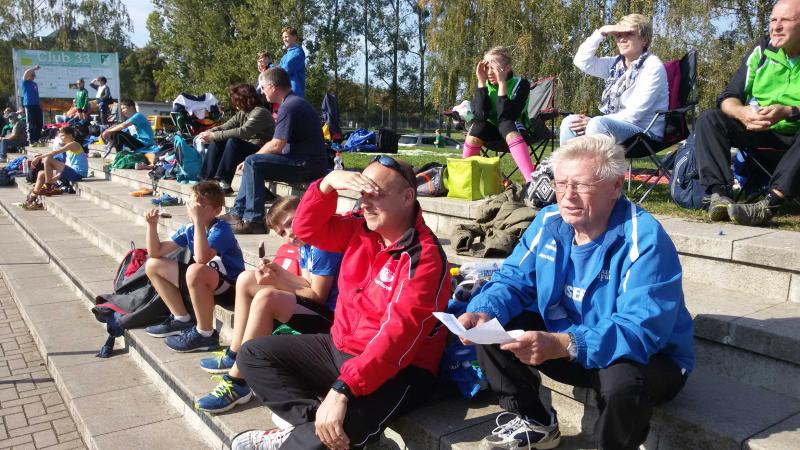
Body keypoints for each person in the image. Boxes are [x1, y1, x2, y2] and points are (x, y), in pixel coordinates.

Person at [457, 134, 694, 450]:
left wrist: (564, 343)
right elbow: (513, 280)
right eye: (560, 184)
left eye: (581, 185)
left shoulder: (644, 239)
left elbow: (639, 331)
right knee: (491, 327)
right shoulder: (548, 221)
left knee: (622, 384)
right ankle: (535, 421)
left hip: (650, 358)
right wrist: (484, 308)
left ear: (616, 186)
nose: (567, 196)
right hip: (569, 344)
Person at [231, 156, 450, 450]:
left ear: (407, 196)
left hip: (401, 368)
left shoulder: (424, 257)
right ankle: (314, 429)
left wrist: (342, 389)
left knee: (335, 432)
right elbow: (306, 230)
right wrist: (326, 185)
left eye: (375, 194)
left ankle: (305, 438)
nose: (365, 204)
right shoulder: (361, 227)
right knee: (252, 355)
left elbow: (397, 337)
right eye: (362, 194)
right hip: (342, 347)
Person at [195, 195, 343, 414]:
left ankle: (238, 382)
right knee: (246, 279)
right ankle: (236, 353)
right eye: (282, 232)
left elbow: (317, 296)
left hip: (333, 319)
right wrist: (278, 271)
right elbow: (306, 282)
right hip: (317, 307)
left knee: (267, 298)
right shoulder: (305, 245)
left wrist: (278, 282)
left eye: (291, 223)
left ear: (306, 215)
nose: (289, 233)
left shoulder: (322, 244)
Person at [697, 0, 800, 226]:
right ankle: (720, 196)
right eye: (773, 20)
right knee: (709, 118)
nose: (776, 27)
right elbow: (728, 96)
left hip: (795, 139)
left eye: (785, 20)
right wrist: (742, 112)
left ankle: (769, 205)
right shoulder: (762, 49)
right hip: (760, 131)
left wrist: (788, 111)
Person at [143, 182, 246, 352]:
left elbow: (201, 258)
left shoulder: (221, 229)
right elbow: (155, 252)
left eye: (200, 207)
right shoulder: (190, 228)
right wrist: (151, 225)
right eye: (191, 205)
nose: (193, 210)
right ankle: (181, 319)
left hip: (231, 289)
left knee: (196, 269)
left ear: (216, 210)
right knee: (153, 265)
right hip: (205, 282)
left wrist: (198, 222)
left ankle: (205, 334)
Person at [222, 67, 327, 234]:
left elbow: (277, 144)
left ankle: (254, 220)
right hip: (305, 161)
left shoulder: (289, 106)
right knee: (252, 163)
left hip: (307, 164)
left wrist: (253, 157)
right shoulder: (294, 102)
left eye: (263, 87)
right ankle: (237, 212)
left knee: (253, 162)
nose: (262, 92)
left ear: (272, 87)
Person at [560, 14, 668, 145]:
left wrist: (593, 121)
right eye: (618, 35)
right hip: (614, 125)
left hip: (646, 132)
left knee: (597, 124)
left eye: (629, 34)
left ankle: (592, 159)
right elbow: (581, 61)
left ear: (644, 40)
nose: (622, 39)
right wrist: (602, 32)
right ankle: (568, 159)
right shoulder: (615, 65)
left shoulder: (652, 67)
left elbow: (634, 114)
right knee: (570, 122)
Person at [461, 47, 535, 184]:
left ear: (506, 68)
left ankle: (531, 181)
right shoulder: (485, 85)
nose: (489, 72)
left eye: (493, 67)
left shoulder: (521, 84)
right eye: (486, 67)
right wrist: (481, 83)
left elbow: (507, 116)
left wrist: (502, 84)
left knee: (506, 124)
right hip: (493, 133)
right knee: (477, 127)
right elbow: (480, 116)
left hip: (515, 130)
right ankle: (463, 178)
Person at [198, 84, 274, 195]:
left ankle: (224, 182)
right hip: (249, 148)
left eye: (237, 101)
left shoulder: (260, 112)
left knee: (233, 142)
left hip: (262, 150)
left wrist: (214, 135)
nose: (235, 104)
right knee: (218, 141)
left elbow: (243, 132)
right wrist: (208, 133)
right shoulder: (243, 113)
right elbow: (226, 126)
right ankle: (206, 180)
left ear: (244, 100)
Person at [22, 126, 89, 210]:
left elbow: (55, 152)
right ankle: (31, 200)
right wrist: (54, 178)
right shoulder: (68, 148)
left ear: (71, 135)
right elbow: (65, 168)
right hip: (71, 173)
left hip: (77, 174)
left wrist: (39, 157)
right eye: (60, 136)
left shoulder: (73, 144)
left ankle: (48, 186)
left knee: (48, 159)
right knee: (41, 174)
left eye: (63, 135)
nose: (61, 138)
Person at [280, 27, 306, 98]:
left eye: (286, 36)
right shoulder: (285, 56)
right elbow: (279, 69)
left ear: (294, 37)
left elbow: (285, 70)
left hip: (294, 94)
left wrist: (272, 70)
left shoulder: (298, 52)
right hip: (285, 93)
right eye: (283, 37)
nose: (284, 39)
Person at [21, 65, 42, 145]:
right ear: (29, 76)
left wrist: (39, 104)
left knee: (39, 123)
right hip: (29, 105)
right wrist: (34, 69)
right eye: (32, 75)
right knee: (31, 123)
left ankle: (37, 140)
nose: (33, 77)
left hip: (37, 105)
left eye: (34, 75)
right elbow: (26, 72)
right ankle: (31, 141)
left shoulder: (35, 84)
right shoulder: (25, 82)